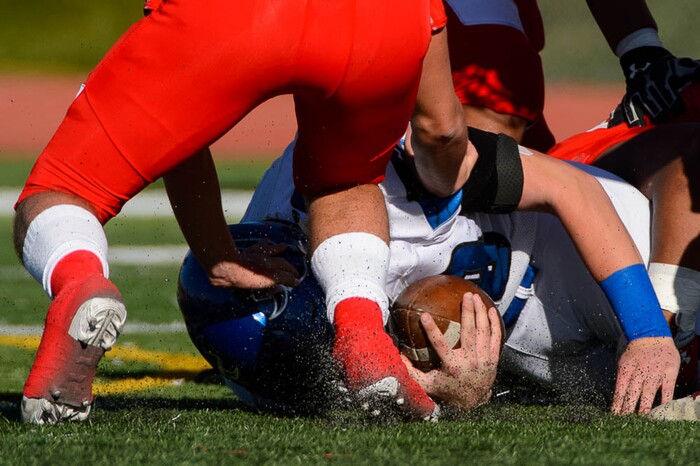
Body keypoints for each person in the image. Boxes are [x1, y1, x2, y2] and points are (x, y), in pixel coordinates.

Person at [12, 0, 471, 424]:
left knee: (65, 186)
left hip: (242, 14)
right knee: (347, 180)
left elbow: (180, 130)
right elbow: (443, 128)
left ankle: (78, 279)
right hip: (382, 20)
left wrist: (215, 251)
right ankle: (364, 336)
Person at [177, 124, 680, 417]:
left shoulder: (390, 168)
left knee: (681, 362)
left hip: (617, 263)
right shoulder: (262, 357)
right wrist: (457, 394)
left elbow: (571, 190)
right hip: (541, 354)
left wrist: (647, 329)